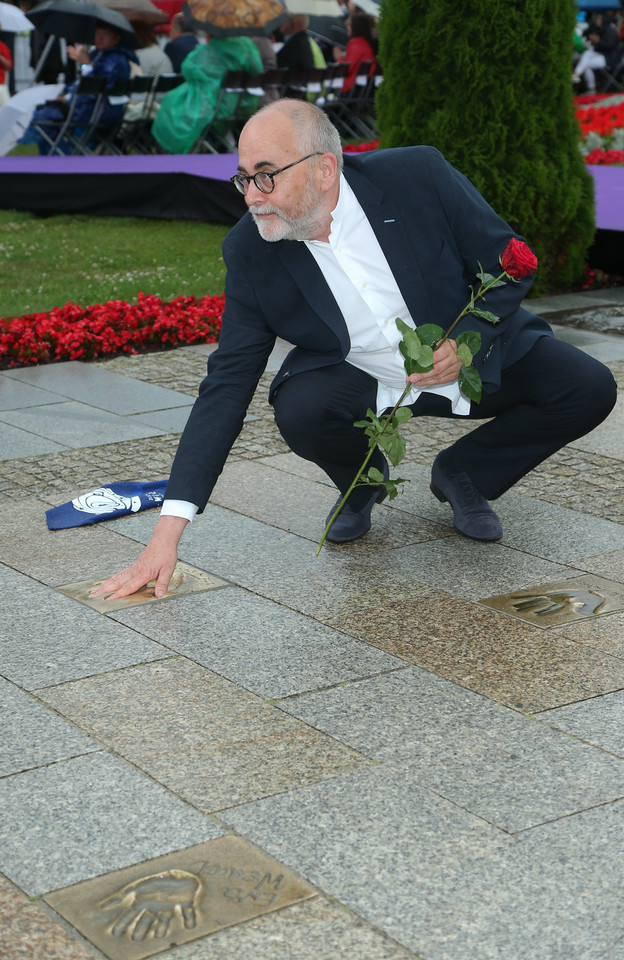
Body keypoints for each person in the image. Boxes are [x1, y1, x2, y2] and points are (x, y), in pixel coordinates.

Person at [94, 99, 617, 601]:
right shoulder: (251, 250)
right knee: (302, 409)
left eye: (266, 174)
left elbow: (507, 263)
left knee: (589, 388)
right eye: (244, 177)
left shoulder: (416, 176)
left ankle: (466, 473)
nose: (252, 195)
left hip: (461, 358)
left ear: (323, 170)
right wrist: (165, 537)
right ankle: (360, 484)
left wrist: (464, 343)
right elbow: (226, 384)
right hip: (362, 379)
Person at [18, 22, 138, 154]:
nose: (99, 38)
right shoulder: (107, 57)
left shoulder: (113, 60)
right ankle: (59, 159)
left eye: (105, 35)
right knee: (48, 114)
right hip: (105, 112)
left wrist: (85, 65)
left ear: (116, 37)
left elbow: (94, 88)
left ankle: (59, 161)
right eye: (97, 33)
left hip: (94, 113)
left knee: (44, 117)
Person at [151, 34, 262, 154]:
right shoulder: (246, 48)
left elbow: (187, 68)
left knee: (171, 105)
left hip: (216, 105)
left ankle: (168, 150)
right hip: (242, 104)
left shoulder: (209, 50)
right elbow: (258, 70)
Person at [572, 12, 620, 93]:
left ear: (604, 20)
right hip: (600, 55)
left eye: (599, 19)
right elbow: (586, 34)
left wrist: (598, 41)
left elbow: (609, 46)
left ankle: (591, 88)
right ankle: (576, 74)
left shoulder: (610, 30)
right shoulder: (599, 29)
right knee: (587, 54)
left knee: (586, 64)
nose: (597, 20)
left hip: (608, 58)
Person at [333, 12, 377, 93]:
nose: (347, 28)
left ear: (356, 27)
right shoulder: (364, 42)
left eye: (349, 25)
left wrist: (339, 58)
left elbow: (347, 68)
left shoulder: (355, 43)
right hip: (363, 86)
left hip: (353, 88)